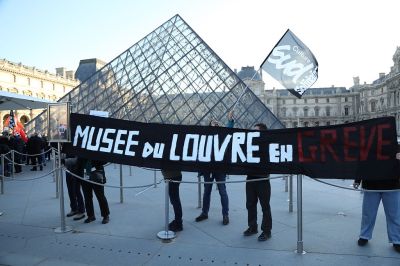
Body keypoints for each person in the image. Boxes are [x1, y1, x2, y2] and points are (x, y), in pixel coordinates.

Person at [353, 143, 400, 253]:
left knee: (394, 215)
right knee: (368, 213)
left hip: (392, 186)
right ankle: (364, 236)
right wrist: (357, 179)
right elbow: (362, 163)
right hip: (371, 185)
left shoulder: (397, 147)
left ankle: (397, 240)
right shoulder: (368, 146)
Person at [195, 111, 234, 225]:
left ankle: (225, 215)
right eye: (213, 122)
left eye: (217, 123)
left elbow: (229, 129)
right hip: (208, 168)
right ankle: (204, 213)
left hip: (220, 168)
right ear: (209, 125)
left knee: (222, 191)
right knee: (207, 192)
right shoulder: (205, 136)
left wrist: (230, 120)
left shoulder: (222, 135)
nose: (215, 123)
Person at [243, 123, 272, 241]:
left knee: (265, 206)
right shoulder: (250, 144)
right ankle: (252, 226)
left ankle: (266, 231)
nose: (253, 133)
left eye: (255, 131)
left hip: (262, 179)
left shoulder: (267, 145)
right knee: (250, 204)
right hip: (250, 178)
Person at [78, 158, 110, 224]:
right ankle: (90, 216)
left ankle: (105, 215)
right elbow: (79, 161)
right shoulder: (81, 150)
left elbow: (105, 160)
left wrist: (94, 158)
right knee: (87, 197)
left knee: (100, 196)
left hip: (97, 174)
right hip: (85, 174)